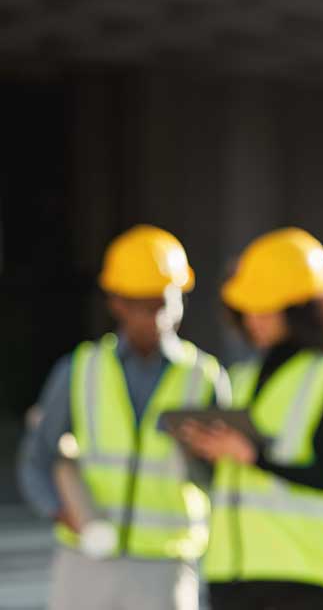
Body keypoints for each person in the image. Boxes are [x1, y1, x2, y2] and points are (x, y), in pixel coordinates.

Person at [17, 225, 228, 610]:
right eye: (145, 306)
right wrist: (61, 511)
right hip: (86, 559)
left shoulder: (205, 377)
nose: (158, 318)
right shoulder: (79, 370)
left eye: (166, 303)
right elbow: (38, 457)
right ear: (117, 303)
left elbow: (222, 479)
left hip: (166, 564)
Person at [179, 227, 323, 610]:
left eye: (265, 308)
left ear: (301, 311)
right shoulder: (242, 379)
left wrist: (251, 456)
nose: (253, 319)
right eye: (248, 308)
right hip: (231, 575)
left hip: (304, 578)